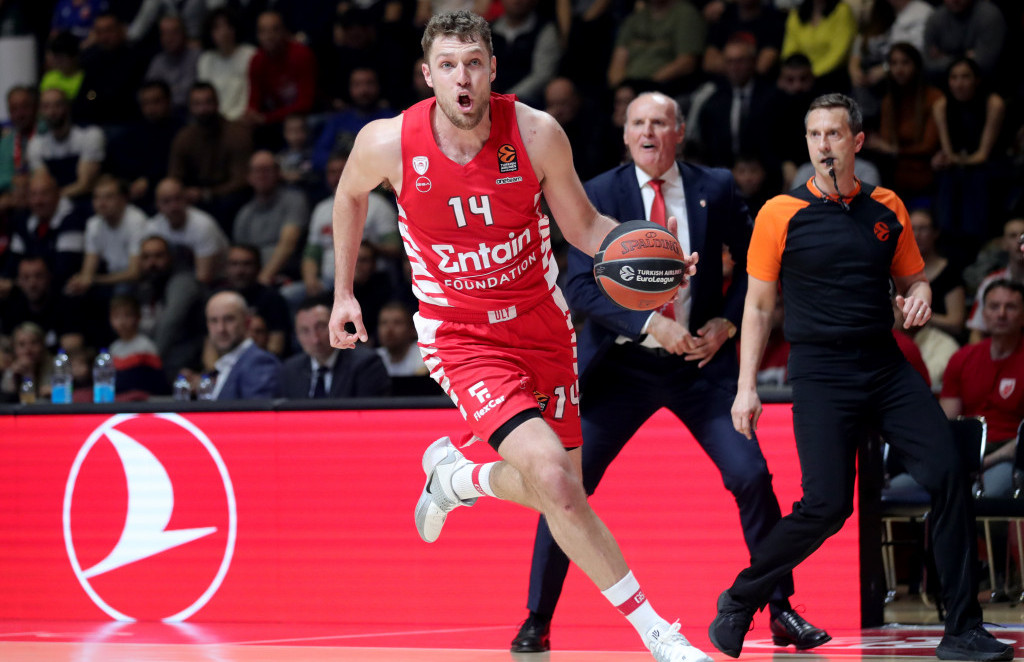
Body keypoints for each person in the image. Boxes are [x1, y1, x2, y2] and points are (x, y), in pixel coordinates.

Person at [327, 11, 708, 662]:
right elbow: (349, 195)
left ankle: (460, 479)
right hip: (461, 335)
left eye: (474, 63)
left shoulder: (536, 132)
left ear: (494, 69)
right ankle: (658, 634)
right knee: (554, 480)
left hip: (542, 325)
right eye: (448, 65)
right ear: (428, 76)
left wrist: (655, 255)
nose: (463, 77)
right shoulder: (388, 142)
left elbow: (584, 227)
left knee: (565, 493)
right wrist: (343, 292)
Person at [512, 90, 827, 654]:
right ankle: (537, 617)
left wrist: (727, 323)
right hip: (620, 367)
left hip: (699, 365)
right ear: (625, 133)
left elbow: (757, 265)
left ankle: (780, 609)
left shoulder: (716, 186)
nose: (648, 132)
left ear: (679, 132)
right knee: (565, 484)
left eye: (660, 122)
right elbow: (578, 285)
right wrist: (648, 325)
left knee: (752, 477)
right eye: (638, 123)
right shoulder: (598, 191)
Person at [707, 93, 1013, 662]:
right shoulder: (780, 212)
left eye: (834, 134)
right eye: (815, 135)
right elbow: (758, 306)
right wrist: (746, 386)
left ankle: (962, 630)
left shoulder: (886, 205)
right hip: (820, 373)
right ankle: (740, 598)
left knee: (949, 471)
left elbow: (915, 280)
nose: (824, 144)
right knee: (827, 507)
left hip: (884, 364)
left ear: (857, 141)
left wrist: (920, 298)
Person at [941, 279, 1024, 497]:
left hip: (1010, 455)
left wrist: (982, 463)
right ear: (983, 314)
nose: (1001, 314)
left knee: (982, 494)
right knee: (911, 486)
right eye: (994, 306)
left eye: (1011, 307)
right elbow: (947, 423)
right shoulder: (962, 358)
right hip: (965, 452)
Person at [167, 82, 254, 230]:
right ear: (190, 107)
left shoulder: (237, 134)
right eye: (197, 104)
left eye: (208, 102)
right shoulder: (184, 137)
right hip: (194, 196)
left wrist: (207, 194)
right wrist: (181, 193)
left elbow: (241, 180)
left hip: (226, 195)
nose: (203, 109)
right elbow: (175, 176)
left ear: (217, 103)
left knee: (231, 201)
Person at [277, 296, 391, 399]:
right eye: (305, 331)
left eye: (321, 327)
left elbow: (368, 412)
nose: (315, 339)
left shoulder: (366, 364)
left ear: (339, 326)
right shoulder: (290, 370)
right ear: (296, 335)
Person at [232, 151, 308, 285]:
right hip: (252, 277)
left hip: (286, 274)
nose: (262, 175)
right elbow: (240, 253)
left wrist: (263, 279)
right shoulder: (245, 213)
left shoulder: (294, 200)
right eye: (257, 171)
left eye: (267, 170)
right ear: (249, 177)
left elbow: (287, 245)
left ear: (278, 173)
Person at [64, 175, 148, 296]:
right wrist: (81, 281)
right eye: (97, 197)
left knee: (121, 291)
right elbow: (88, 270)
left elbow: (135, 273)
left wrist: (94, 280)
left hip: (138, 283)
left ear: (123, 199)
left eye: (109, 197)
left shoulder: (136, 221)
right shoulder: (93, 224)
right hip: (112, 280)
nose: (101, 203)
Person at [26, 88, 104, 202]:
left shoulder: (90, 135)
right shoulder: (36, 144)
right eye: (46, 106)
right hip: (53, 205)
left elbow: (84, 185)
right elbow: (43, 186)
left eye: (57, 105)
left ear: (67, 106)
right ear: (40, 111)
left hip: (85, 202)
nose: (52, 112)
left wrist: (53, 197)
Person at [148, 177, 230, 285]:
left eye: (178, 199)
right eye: (166, 201)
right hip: (175, 277)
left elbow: (204, 277)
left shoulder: (203, 225)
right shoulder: (153, 227)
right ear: (157, 204)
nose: (173, 206)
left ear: (186, 199)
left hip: (216, 281)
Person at [204, 290, 280, 400]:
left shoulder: (259, 362)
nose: (221, 329)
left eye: (229, 319)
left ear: (247, 322)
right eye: (214, 321)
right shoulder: (225, 364)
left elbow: (257, 410)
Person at [197, 8, 257, 123]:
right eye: (217, 28)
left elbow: (251, 93)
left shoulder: (250, 55)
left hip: (243, 119)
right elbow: (204, 95)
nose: (224, 32)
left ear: (235, 28)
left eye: (228, 26)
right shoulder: (206, 59)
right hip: (213, 120)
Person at [108, 293, 168, 397]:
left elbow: (157, 383)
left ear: (138, 317)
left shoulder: (146, 346)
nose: (122, 322)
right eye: (116, 316)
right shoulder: (113, 348)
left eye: (127, 315)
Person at [144, 15, 200, 114]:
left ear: (184, 33)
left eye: (174, 32)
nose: (169, 38)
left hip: (191, 112)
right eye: (165, 33)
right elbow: (150, 93)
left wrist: (166, 98)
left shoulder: (197, 57)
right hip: (164, 115)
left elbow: (190, 94)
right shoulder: (157, 62)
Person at [375, 300, 428, 376]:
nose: (389, 330)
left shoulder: (426, 358)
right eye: (384, 323)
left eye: (397, 323)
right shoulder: (374, 359)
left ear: (412, 329)